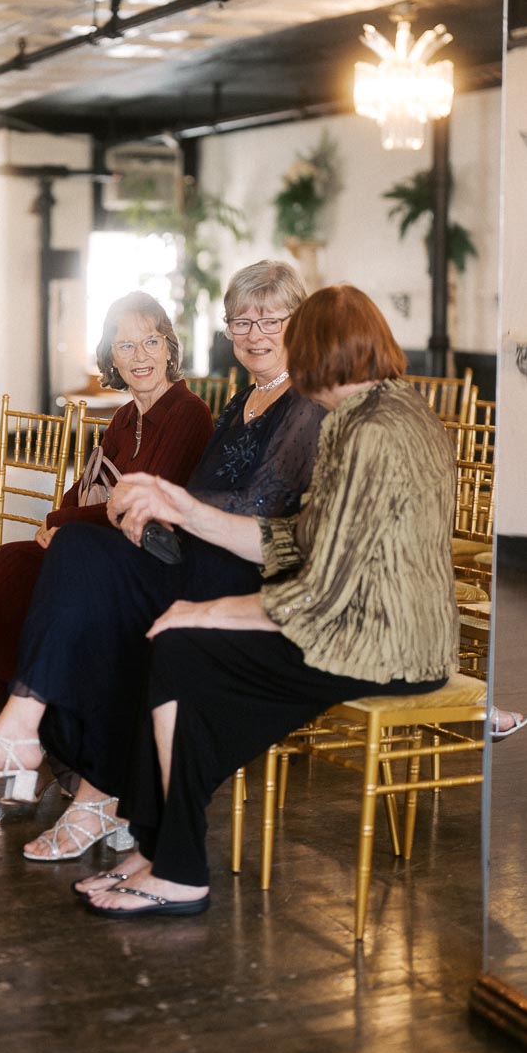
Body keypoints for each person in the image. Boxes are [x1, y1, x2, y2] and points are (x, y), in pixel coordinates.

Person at [0, 261, 325, 864]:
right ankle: (50, 754)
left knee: (81, 559)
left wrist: (168, 508)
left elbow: (262, 512)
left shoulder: (302, 404)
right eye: (240, 319)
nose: (253, 331)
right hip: (195, 549)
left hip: (238, 569)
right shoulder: (245, 398)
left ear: (300, 323)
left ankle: (48, 754)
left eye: (270, 317)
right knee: (59, 563)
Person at [79, 284, 459, 917]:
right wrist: (186, 510)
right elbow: (295, 540)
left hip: (388, 646)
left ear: (315, 352)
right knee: (177, 645)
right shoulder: (376, 412)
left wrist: (204, 611)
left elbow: (318, 593)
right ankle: (160, 850)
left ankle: (176, 865)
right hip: (364, 630)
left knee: (182, 645)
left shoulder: (372, 431)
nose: (273, 349)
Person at [0, 291, 214, 755]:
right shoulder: (126, 417)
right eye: (126, 345)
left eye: (150, 341)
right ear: (112, 356)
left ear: (170, 347)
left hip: (149, 558)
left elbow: (148, 499)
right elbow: (89, 486)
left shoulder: (187, 413)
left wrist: (65, 524)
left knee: (14, 567)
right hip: (98, 545)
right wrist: (59, 519)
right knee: (10, 564)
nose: (140, 356)